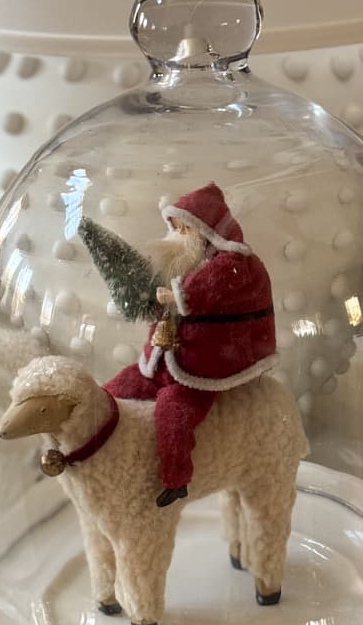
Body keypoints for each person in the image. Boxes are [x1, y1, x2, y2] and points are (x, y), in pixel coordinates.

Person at [103, 182, 278, 506]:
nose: (179, 235)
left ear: (205, 230)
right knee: (118, 385)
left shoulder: (235, 265)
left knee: (173, 411)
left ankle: (176, 479)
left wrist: (173, 295)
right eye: (177, 228)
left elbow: (202, 290)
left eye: (185, 229)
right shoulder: (184, 263)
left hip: (202, 367)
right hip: (162, 359)